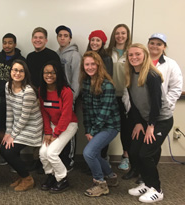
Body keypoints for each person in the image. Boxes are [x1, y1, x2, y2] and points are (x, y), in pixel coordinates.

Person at [125, 43, 173, 203]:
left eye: (137, 54)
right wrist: (139, 123)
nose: (134, 57)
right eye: (131, 55)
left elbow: (156, 104)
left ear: (144, 55)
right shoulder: (130, 75)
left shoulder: (151, 76)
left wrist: (151, 126)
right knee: (134, 151)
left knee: (145, 154)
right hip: (146, 121)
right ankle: (146, 183)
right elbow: (134, 102)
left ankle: (157, 189)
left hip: (161, 120)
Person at [81, 51, 120, 197]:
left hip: (110, 126)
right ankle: (111, 177)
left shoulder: (107, 85)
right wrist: (87, 129)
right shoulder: (85, 82)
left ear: (98, 65)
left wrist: (93, 131)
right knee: (94, 153)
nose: (90, 67)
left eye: (93, 64)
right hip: (95, 126)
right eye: (87, 64)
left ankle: (100, 183)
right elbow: (86, 110)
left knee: (89, 153)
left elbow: (104, 112)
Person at [0, 59, 43, 192]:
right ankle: (22, 175)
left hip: (32, 127)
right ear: (11, 71)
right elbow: (10, 111)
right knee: (6, 148)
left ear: (25, 73)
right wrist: (7, 133)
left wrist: (12, 135)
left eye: (21, 71)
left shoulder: (28, 91)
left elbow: (25, 117)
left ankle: (28, 179)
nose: (17, 73)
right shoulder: (8, 86)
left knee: (7, 150)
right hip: (19, 125)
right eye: (15, 70)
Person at [39, 60, 78, 193]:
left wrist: (56, 134)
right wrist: (48, 132)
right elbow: (44, 113)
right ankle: (51, 176)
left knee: (52, 153)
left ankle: (62, 179)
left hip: (68, 125)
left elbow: (66, 116)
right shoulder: (42, 90)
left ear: (58, 74)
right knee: (42, 153)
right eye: (46, 72)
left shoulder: (65, 91)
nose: (49, 75)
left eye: (52, 73)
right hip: (52, 126)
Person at [26, 27, 61, 172]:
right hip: (33, 97)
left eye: (41, 37)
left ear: (46, 40)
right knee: (36, 128)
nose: (38, 40)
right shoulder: (29, 57)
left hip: (49, 97)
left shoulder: (52, 55)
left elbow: (57, 77)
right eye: (35, 37)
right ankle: (37, 159)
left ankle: (47, 160)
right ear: (32, 40)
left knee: (48, 128)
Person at [0, 33, 26, 165]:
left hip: (16, 96)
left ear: (15, 44)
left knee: (14, 127)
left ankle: (13, 155)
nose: (7, 45)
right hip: (1, 95)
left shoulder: (21, 59)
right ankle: (5, 150)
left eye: (10, 43)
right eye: (5, 43)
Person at [106, 24, 132, 172]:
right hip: (110, 96)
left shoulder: (132, 52)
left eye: (123, 33)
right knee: (107, 127)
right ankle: (105, 156)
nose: (120, 36)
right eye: (117, 33)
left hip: (126, 97)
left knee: (126, 128)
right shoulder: (108, 52)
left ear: (127, 35)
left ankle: (126, 156)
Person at [86, 29, 114, 167]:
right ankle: (95, 163)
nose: (94, 43)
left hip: (102, 101)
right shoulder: (86, 57)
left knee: (100, 140)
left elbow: (107, 79)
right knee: (91, 146)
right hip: (92, 102)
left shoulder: (106, 58)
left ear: (103, 43)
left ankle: (102, 163)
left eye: (98, 40)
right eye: (92, 40)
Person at [55, 25, 81, 172]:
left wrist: (72, 98)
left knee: (69, 128)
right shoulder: (56, 54)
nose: (63, 38)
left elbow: (77, 78)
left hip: (69, 98)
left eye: (65, 35)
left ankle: (69, 159)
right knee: (60, 127)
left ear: (70, 38)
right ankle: (61, 156)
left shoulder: (74, 55)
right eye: (60, 35)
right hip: (58, 98)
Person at [147, 33, 182, 111]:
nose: (155, 46)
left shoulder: (171, 64)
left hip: (163, 111)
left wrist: (164, 105)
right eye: (152, 43)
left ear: (164, 47)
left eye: (159, 44)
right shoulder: (140, 61)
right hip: (142, 110)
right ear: (148, 45)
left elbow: (176, 88)